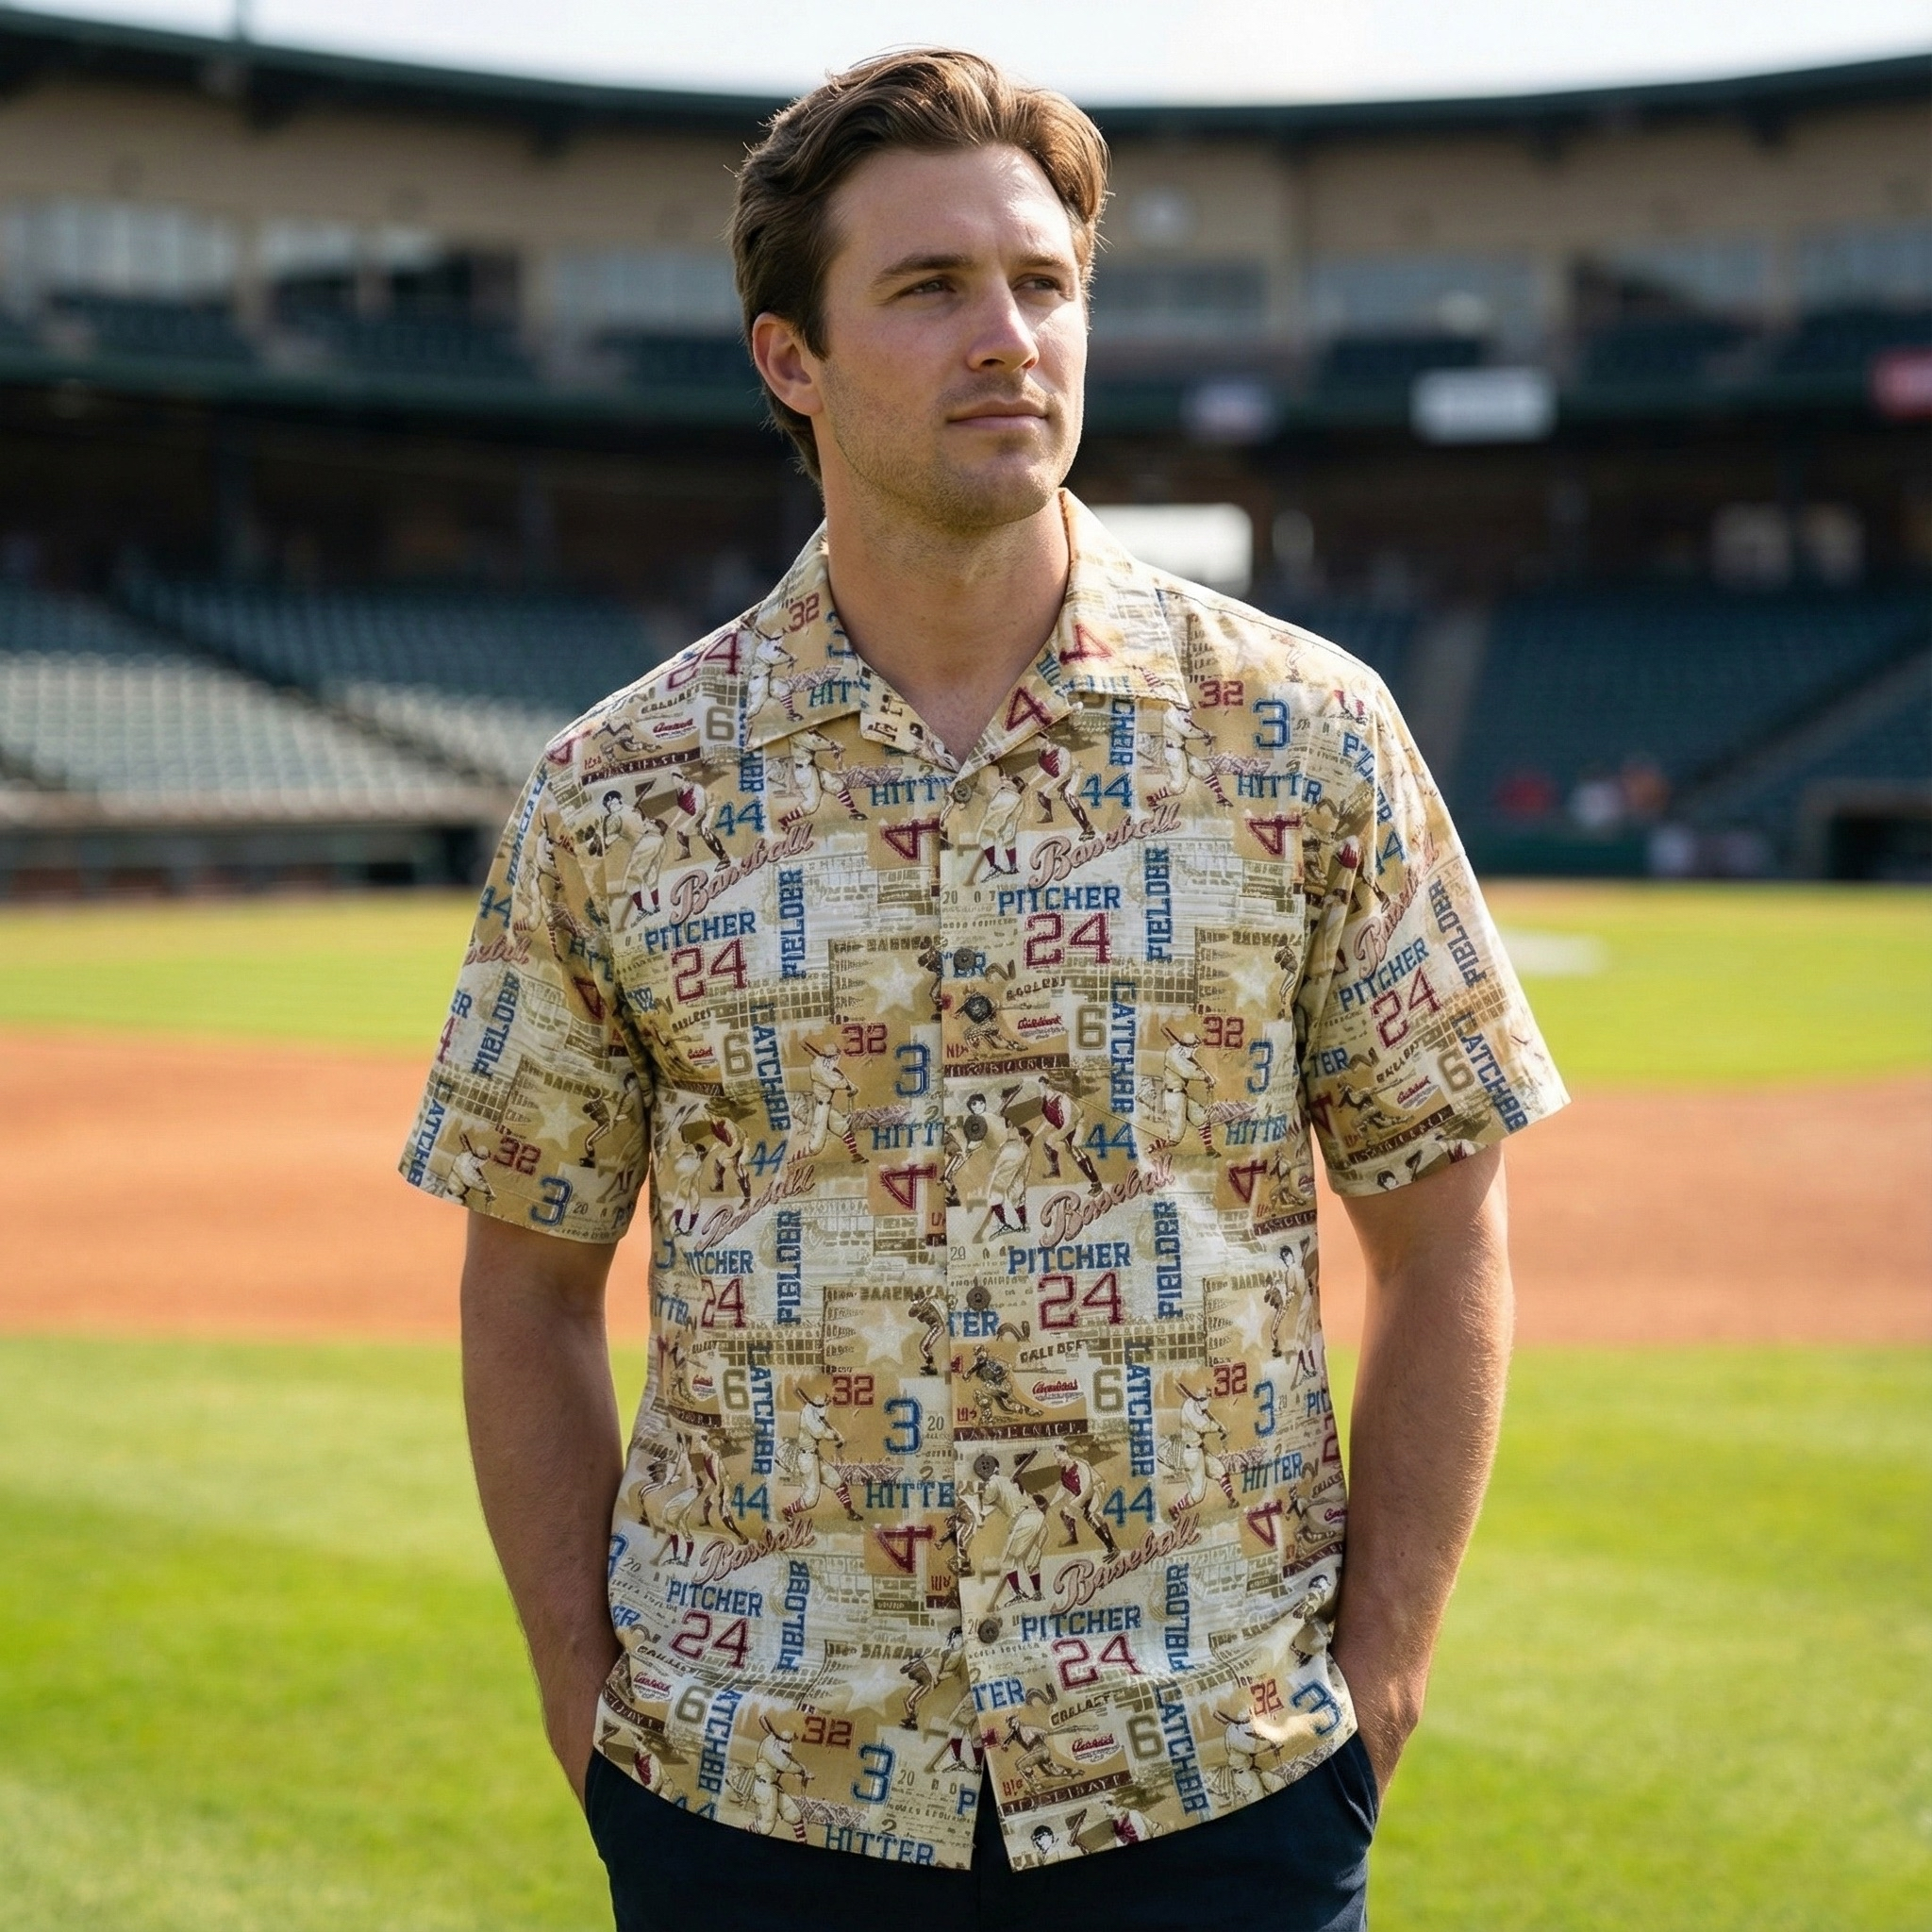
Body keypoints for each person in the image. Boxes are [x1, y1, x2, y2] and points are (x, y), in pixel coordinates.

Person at [401, 46, 1566, 1932]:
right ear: (792, 355)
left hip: (1211, 1784)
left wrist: (1379, 1682)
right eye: (929, 287)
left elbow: (1445, 1231)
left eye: (1042, 283)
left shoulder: (1303, 735)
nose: (1007, 335)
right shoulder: (621, 788)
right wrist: (586, 1698)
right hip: (754, 1793)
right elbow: (524, 1279)